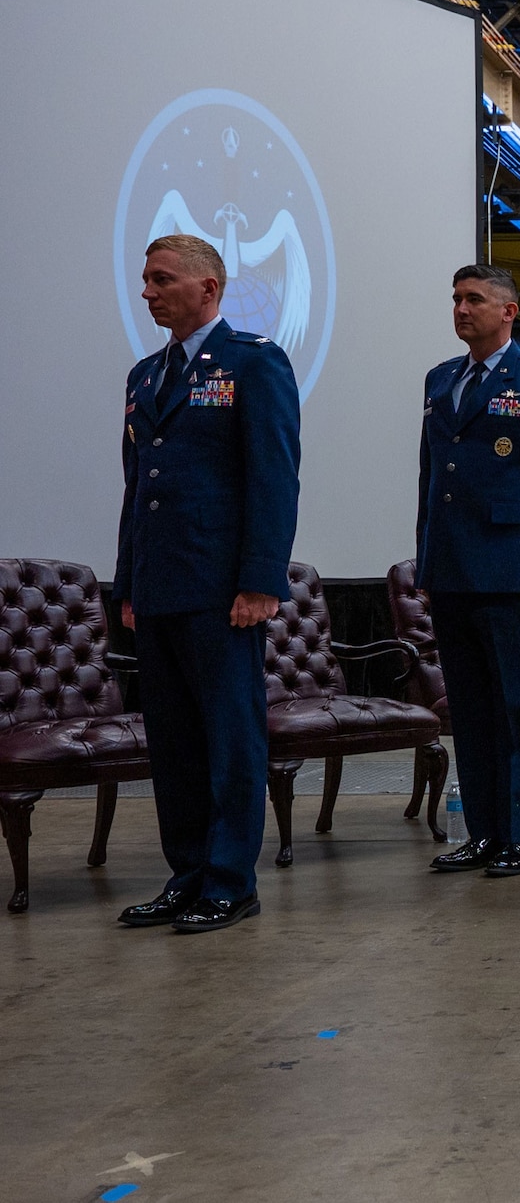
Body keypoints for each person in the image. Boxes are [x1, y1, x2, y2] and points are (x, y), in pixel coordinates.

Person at [112, 234, 301, 933]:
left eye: (161, 279)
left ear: (208, 288)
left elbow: (273, 480)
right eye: (145, 279)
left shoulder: (253, 365)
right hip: (161, 586)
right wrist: (129, 585)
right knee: (175, 744)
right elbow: (138, 491)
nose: (148, 291)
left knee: (229, 739)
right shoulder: (144, 375)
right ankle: (186, 873)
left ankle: (229, 880)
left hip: (223, 590)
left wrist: (260, 581)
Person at [418, 265, 520, 879]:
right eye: (456, 298)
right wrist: (427, 557)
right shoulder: (441, 379)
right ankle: (484, 831)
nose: (462, 309)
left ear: (509, 311)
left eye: (475, 299)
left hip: (513, 570)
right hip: (453, 568)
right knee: (469, 708)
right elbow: (431, 479)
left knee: (517, 705)